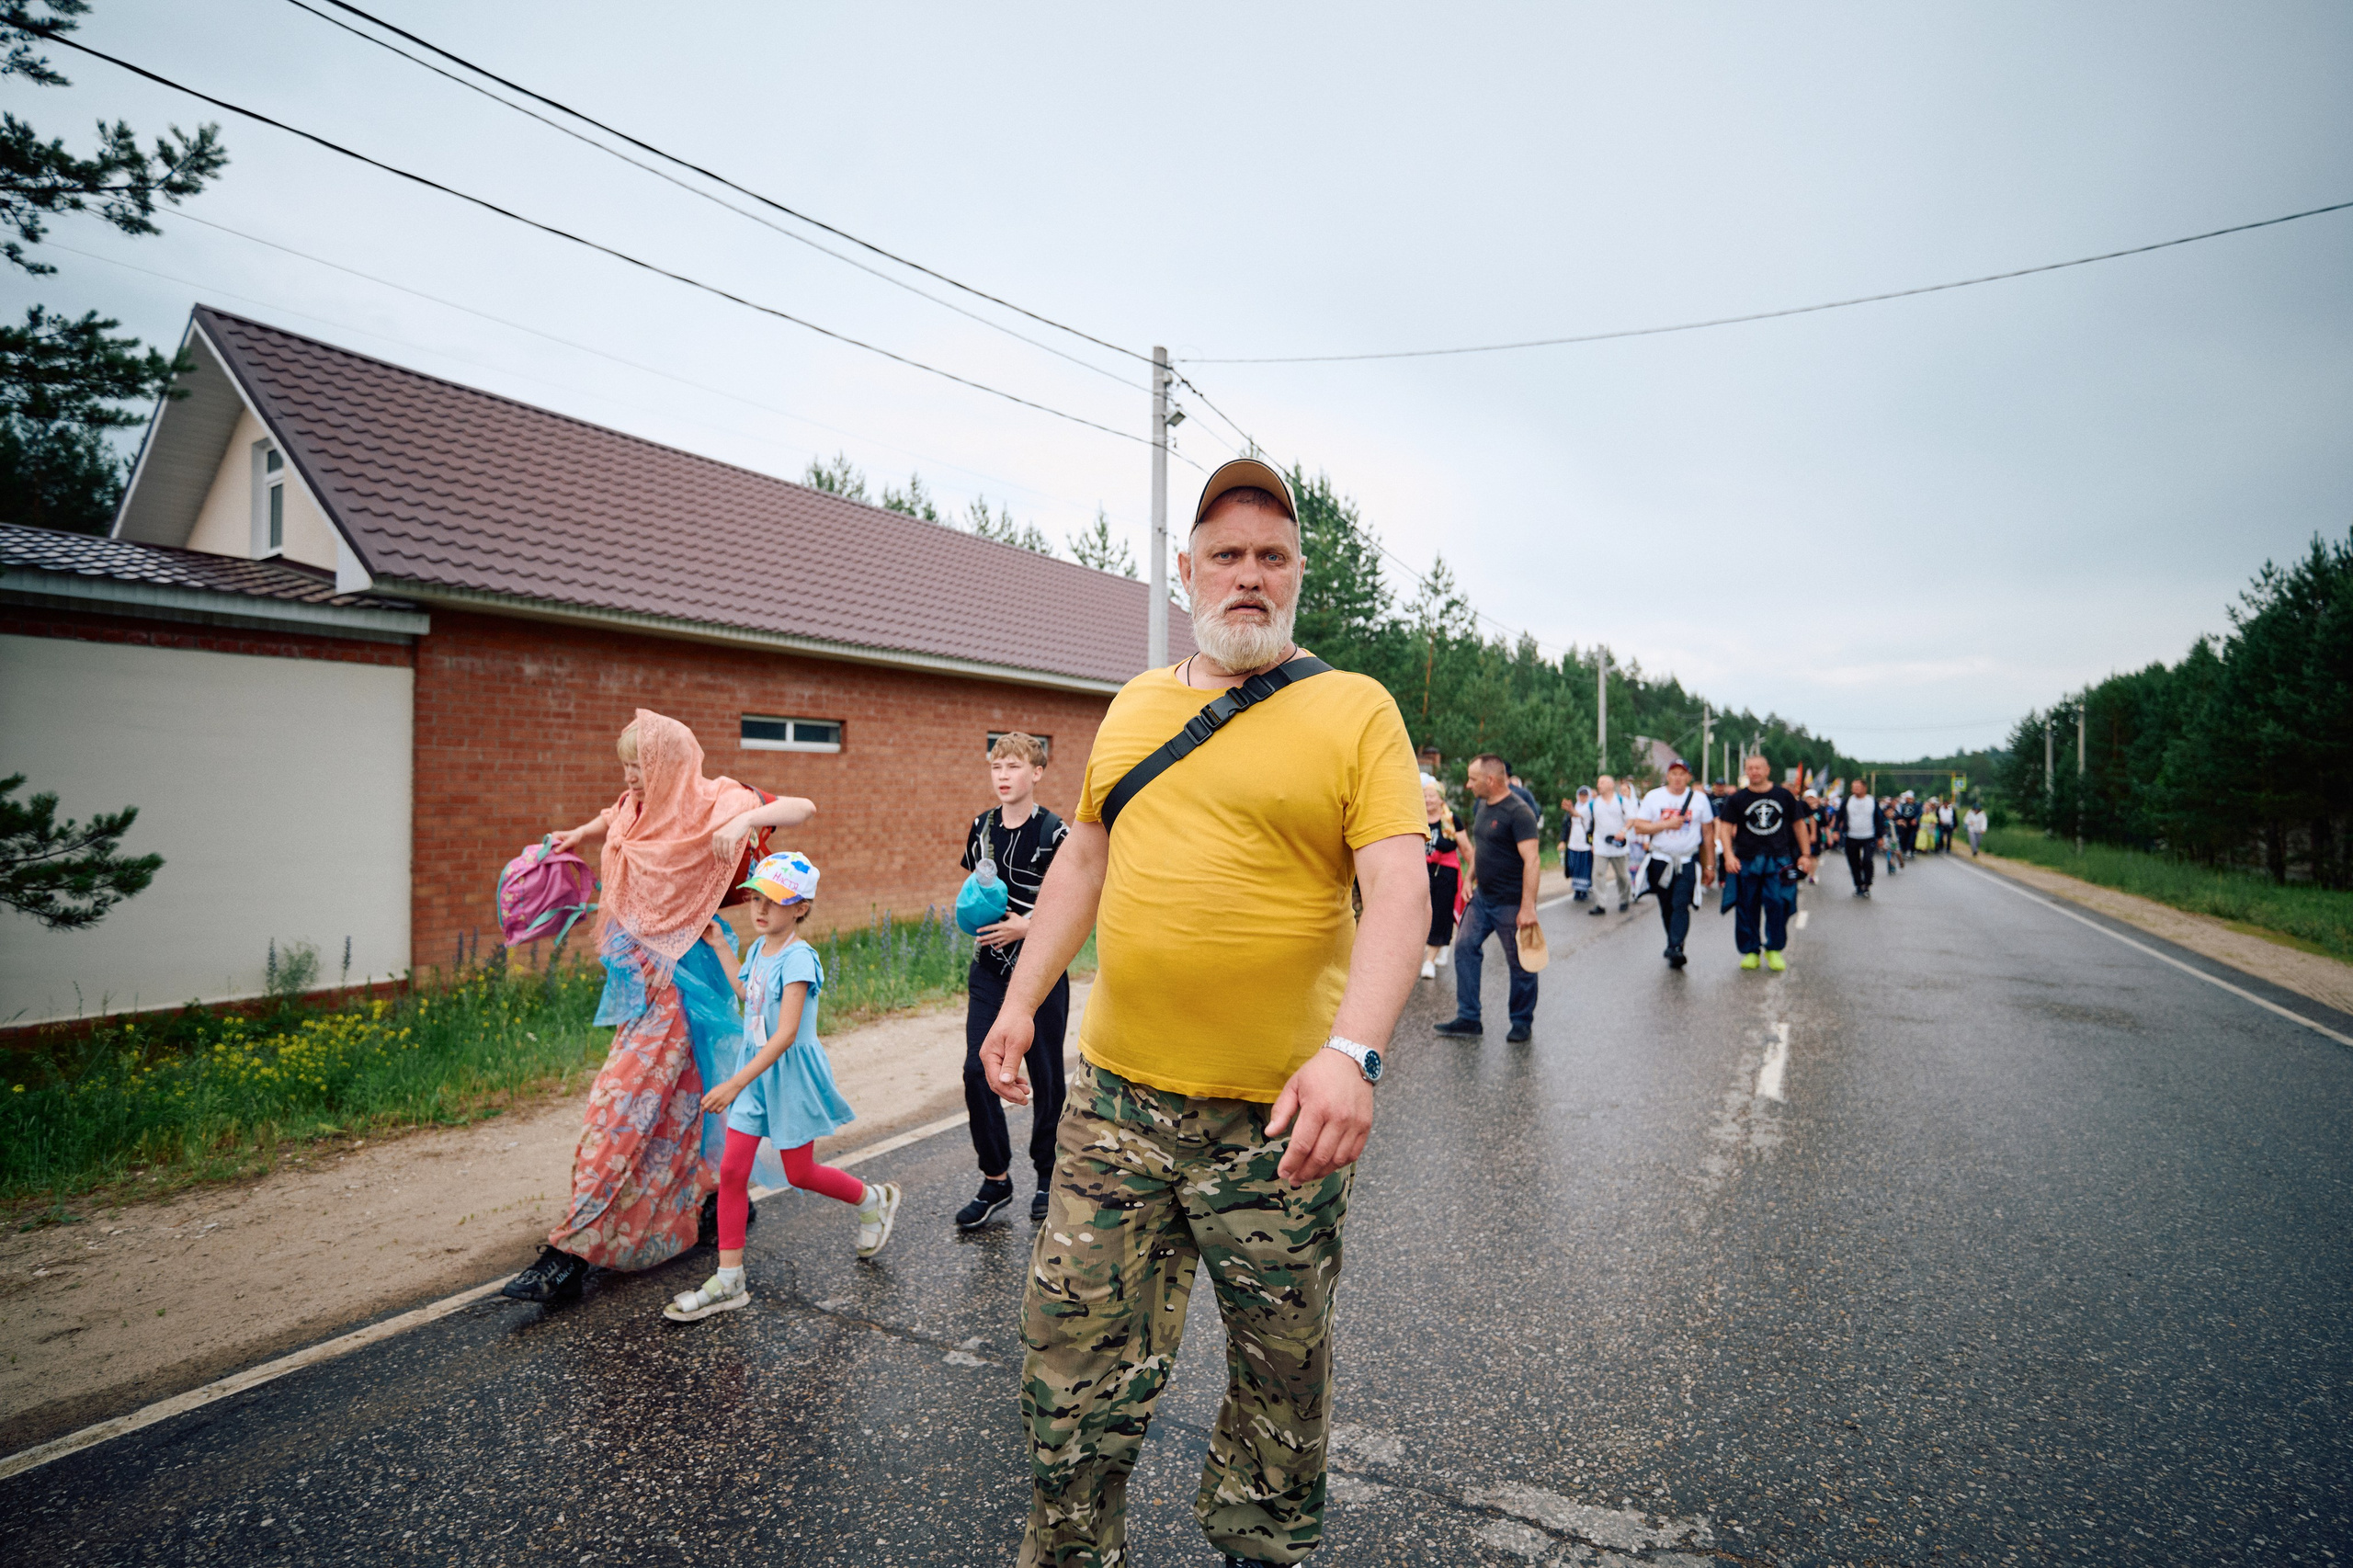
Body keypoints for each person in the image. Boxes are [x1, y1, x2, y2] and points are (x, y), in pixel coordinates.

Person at [974, 459, 1427, 1568]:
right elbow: (1085, 857)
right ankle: (1071, 1547)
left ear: (1299, 576)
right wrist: (1022, 1000)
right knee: (1068, 1359)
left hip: (1278, 1124)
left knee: (1280, 1369)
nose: (1248, 574)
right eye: (1226, 554)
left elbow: (1399, 887)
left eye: (1272, 556)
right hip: (1115, 1106)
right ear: (1186, 571)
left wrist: (1354, 1053)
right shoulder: (1135, 703)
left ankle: (1257, 1546)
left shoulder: (1354, 708)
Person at [503, 710, 814, 1303]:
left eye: (641, 767)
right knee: (679, 1105)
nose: (630, 778)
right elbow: (613, 815)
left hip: (682, 984)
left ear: (670, 766)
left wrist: (744, 818)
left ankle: (569, 1253)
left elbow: (802, 807)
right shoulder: (636, 806)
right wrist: (578, 834)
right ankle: (708, 1201)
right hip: (640, 985)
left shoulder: (713, 802)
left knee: (618, 1110)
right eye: (625, 767)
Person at [664, 853, 898, 1321]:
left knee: (799, 1172)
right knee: (733, 1172)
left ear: (801, 907)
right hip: (755, 1073)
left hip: (787, 1076)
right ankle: (730, 1279)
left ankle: (873, 1198)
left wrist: (734, 1083)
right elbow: (748, 995)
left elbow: (786, 1033)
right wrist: (721, 946)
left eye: (774, 900)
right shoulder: (758, 950)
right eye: (756, 898)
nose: (761, 908)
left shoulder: (800, 959)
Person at [955, 732, 1072, 1230]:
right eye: (996, 767)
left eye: (1013, 766)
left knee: (1046, 1077)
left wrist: (1027, 925)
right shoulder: (981, 827)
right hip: (988, 970)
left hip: (1041, 971)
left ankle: (1048, 1175)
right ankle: (995, 1178)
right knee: (976, 1071)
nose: (1003, 776)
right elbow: (974, 888)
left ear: (1037, 772)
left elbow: (1078, 897)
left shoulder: (1055, 832)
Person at [1436, 754, 1541, 1041]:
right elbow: (1482, 847)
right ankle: (1469, 1017)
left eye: (1473, 779)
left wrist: (1528, 907)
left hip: (1511, 903)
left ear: (1491, 780)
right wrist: (1470, 877)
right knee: (1464, 947)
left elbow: (1532, 861)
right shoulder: (1482, 805)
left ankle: (1521, 1021)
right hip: (1483, 898)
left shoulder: (1519, 813)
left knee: (1521, 963)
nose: (1468, 785)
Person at [1718, 755, 1814, 971]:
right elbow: (1725, 827)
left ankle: (1774, 949)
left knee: (1778, 903)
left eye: (1758, 768)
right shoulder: (1737, 798)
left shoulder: (1783, 796)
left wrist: (1805, 854)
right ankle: (1751, 951)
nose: (1754, 772)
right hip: (1747, 859)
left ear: (1767, 770)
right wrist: (1728, 855)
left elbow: (1799, 825)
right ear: (1746, 771)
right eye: (1750, 768)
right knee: (1746, 905)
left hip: (1778, 858)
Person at [1627, 757, 1714, 969]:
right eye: (1674, 773)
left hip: (1687, 860)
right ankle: (1673, 943)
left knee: (1681, 903)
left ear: (1688, 777)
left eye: (1682, 774)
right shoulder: (1654, 797)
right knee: (1666, 904)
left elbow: (1708, 833)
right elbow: (1639, 827)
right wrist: (1666, 824)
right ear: (1667, 776)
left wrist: (1710, 865)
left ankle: (1676, 946)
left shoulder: (1700, 800)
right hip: (1660, 860)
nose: (1677, 778)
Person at [1423, 774, 1461, 979]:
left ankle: (1429, 961)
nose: (1428, 800)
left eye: (1432, 796)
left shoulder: (1451, 820)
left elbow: (1466, 848)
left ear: (1440, 799)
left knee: (1440, 915)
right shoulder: (1418, 818)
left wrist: (1475, 875)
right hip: (1422, 873)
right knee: (1421, 915)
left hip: (1445, 874)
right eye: (1425, 796)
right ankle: (1441, 945)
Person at [1587, 772, 1634, 915]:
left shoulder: (1621, 801)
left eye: (1602, 782)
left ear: (1610, 784)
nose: (1598, 785)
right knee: (1598, 874)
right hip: (1601, 845)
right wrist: (1571, 810)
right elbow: (1583, 817)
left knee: (1623, 876)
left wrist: (1623, 831)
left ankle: (1624, 899)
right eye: (1598, 783)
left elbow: (1631, 819)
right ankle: (1600, 904)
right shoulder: (1594, 803)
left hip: (1618, 845)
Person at [1841, 778, 1885, 897]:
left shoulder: (1872, 801)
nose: (1854, 789)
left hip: (1868, 836)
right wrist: (1836, 830)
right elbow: (1839, 815)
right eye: (1853, 787)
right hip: (1851, 836)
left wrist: (1880, 837)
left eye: (1857, 787)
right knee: (1853, 862)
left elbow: (1879, 819)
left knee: (1867, 860)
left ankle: (1867, 885)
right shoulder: (1847, 801)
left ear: (1865, 788)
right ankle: (1858, 885)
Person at [1563, 784, 1595, 902]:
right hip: (1574, 842)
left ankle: (1584, 890)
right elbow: (1566, 825)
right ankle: (1577, 890)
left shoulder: (1589, 808)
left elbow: (1578, 814)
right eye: (1581, 795)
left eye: (1585, 796)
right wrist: (1563, 840)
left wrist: (1571, 809)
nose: (1582, 798)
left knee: (1584, 867)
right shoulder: (1575, 807)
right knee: (1574, 866)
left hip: (1585, 843)